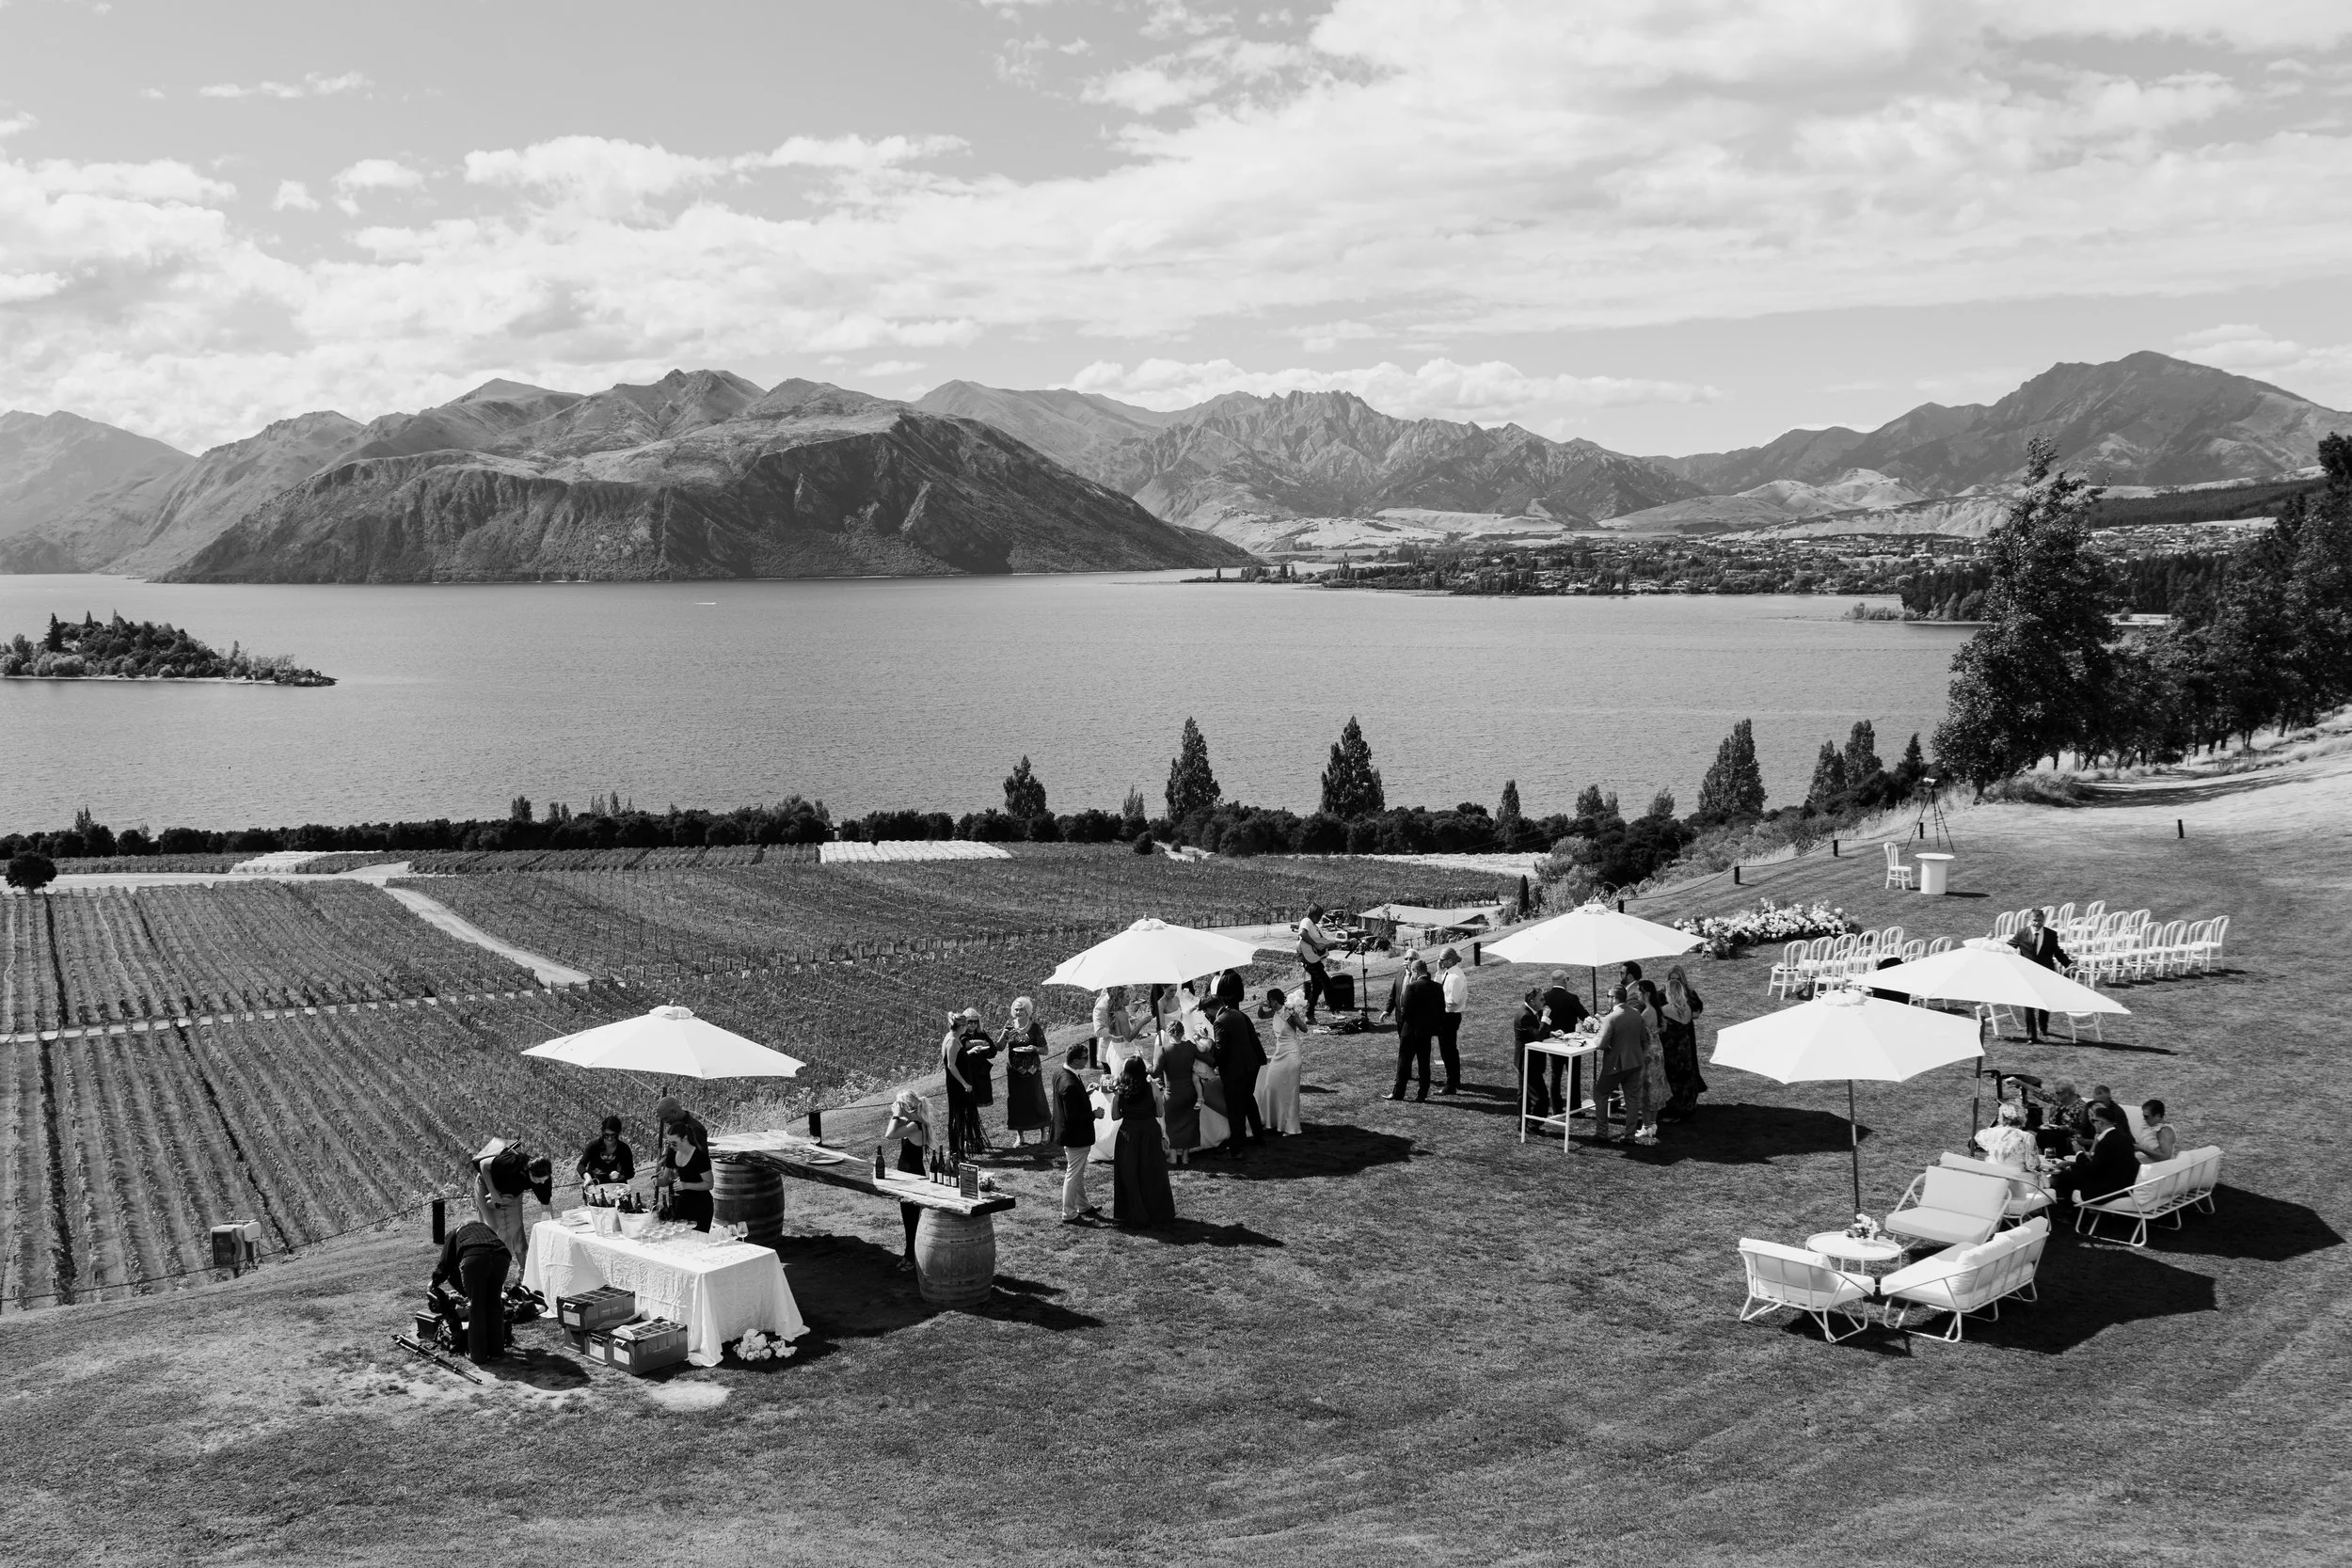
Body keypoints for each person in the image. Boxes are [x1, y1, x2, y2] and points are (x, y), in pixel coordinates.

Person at [429, 1218, 513, 1363]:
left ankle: (478, 1355)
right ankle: (497, 1352)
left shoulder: (455, 1232)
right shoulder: (486, 1228)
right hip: (502, 1256)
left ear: (460, 1225)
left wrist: (435, 1281)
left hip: (474, 1258)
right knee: (495, 1304)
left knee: (477, 1307)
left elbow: (446, 1263)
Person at [1111, 1058, 1176, 1227]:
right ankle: (1155, 1210)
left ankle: (1132, 1210)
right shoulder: (1152, 1087)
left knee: (1129, 1172)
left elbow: (1115, 1116)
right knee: (1152, 1171)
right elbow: (1159, 1112)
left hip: (1128, 1134)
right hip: (1149, 1132)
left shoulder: (1120, 1089)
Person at [470, 1139, 549, 1270]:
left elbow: (546, 1204)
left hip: (511, 1192)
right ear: (529, 1172)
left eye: (544, 1180)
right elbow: (484, 1164)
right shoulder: (511, 1163)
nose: (541, 1183)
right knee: (494, 1227)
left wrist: (548, 1223)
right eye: (537, 1180)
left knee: (516, 1225)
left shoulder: (544, 1177)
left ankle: (523, 1270)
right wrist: (493, 1192)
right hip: (487, 1182)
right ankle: (492, 1266)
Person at [2049, 1100, 2138, 1208]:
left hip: (2108, 1190)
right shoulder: (2124, 1138)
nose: (2092, 1123)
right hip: (2125, 1185)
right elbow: (2103, 1164)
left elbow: (2092, 1170)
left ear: (2100, 1123)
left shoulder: (2105, 1142)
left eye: (2094, 1120)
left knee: (2066, 1175)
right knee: (2073, 1171)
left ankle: (2069, 1211)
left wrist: (2079, 1153)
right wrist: (2073, 1163)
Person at [1209, 996, 1268, 1155]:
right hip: (1251, 1064)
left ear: (1210, 1010)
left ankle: (1237, 1147)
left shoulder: (1219, 1021)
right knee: (1249, 1100)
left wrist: (1210, 1049)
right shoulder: (1238, 1013)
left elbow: (1220, 1050)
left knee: (1235, 1108)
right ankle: (1259, 1135)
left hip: (1235, 1070)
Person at [1047, 1044, 1100, 1224]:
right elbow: (1074, 1117)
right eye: (1085, 1058)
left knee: (1077, 1172)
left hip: (1067, 1133)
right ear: (1076, 1060)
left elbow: (1069, 1104)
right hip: (1075, 1136)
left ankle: (1083, 1206)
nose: (1087, 1061)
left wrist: (1086, 1093)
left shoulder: (1060, 1073)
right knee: (1074, 1175)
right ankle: (1069, 1213)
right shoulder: (1069, 1084)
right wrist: (1094, 1114)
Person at [1589, 987, 1648, 1144]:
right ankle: (1630, 1136)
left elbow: (1601, 1044)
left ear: (1614, 999)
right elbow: (1644, 1038)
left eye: (1608, 996)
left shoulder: (1612, 1017)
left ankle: (1602, 1133)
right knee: (1632, 1099)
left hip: (1616, 1064)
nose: (1607, 999)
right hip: (1635, 1062)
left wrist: (1595, 1039)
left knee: (1600, 1094)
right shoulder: (1636, 1014)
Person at [882, 1088, 934, 1264]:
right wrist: (899, 1116)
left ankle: (912, 1258)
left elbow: (889, 1135)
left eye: (898, 1104)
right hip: (909, 1175)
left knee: (911, 1220)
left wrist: (896, 1116)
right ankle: (908, 1255)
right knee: (909, 1219)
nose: (895, 1106)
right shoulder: (914, 1123)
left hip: (912, 1177)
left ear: (905, 1106)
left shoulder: (914, 1126)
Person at [940, 1007, 998, 1161]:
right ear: (961, 1026)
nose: (969, 1028)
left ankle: (959, 1150)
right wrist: (965, 1083)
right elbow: (951, 1065)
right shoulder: (952, 1041)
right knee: (958, 1118)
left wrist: (971, 1052)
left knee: (961, 1118)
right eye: (967, 1025)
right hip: (957, 1086)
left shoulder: (952, 1037)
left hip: (959, 1084)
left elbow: (959, 1058)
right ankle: (956, 1151)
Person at [2010, 909, 2071, 1042]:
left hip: (2046, 973)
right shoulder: (2021, 933)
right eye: (2035, 920)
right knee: (2028, 1005)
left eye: (2040, 921)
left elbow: (2057, 952)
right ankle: (2031, 1036)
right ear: (2030, 920)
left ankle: (2043, 1027)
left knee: (2044, 1003)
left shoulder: (2050, 934)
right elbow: (2009, 947)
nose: (2037, 923)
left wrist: (2069, 964)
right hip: (2027, 974)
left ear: (2044, 920)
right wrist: (1992, 946)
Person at [1657, 966, 1708, 1121]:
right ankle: (1687, 1106)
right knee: (1685, 1075)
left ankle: (1675, 1110)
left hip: (1672, 1047)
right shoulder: (1686, 1009)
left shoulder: (1665, 1009)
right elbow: (1694, 1013)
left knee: (1675, 1077)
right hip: (1683, 1043)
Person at [1391, 959, 1445, 1102]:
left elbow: (1405, 1010)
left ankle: (1398, 1093)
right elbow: (1441, 1010)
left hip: (1410, 1031)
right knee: (1424, 1063)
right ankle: (1422, 1094)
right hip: (1426, 1031)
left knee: (1403, 1062)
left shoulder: (1412, 987)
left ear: (1415, 971)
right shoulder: (1437, 987)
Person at [1000, 996, 1052, 1148]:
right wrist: (1004, 1035)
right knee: (1017, 1102)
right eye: (1016, 1009)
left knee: (1036, 1098)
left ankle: (1044, 1131)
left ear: (1028, 1010)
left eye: (1021, 1009)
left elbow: (1045, 1050)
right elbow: (999, 1047)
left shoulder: (1035, 1027)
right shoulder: (1009, 1026)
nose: (1018, 1012)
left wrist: (1034, 1048)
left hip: (1032, 1071)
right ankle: (1020, 1136)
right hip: (1014, 1073)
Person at [1540, 972, 1588, 1122]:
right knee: (1574, 1075)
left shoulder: (1545, 998)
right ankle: (1575, 1108)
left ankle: (1556, 1107)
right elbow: (1585, 1016)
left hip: (1554, 1042)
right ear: (1564, 980)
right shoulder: (1571, 998)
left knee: (1555, 1075)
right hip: (1571, 1043)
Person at [1257, 987, 1306, 1135]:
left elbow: (1304, 1029)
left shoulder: (1288, 1011)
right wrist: (1260, 1006)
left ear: (1274, 1000)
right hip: (1279, 1053)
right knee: (1270, 1085)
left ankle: (1290, 1127)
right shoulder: (1274, 1012)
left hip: (1291, 1054)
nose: (1269, 1002)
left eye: (1270, 1000)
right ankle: (1272, 1121)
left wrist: (1295, 1017)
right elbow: (1261, 1016)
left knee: (1289, 1091)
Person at [1155, 1018, 1203, 1166]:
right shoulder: (1189, 1046)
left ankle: (1173, 1157)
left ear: (1169, 1034)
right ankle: (1185, 1157)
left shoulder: (1164, 1050)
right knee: (1190, 1124)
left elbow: (1155, 1072)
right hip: (1189, 1093)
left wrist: (1143, 1065)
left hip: (1172, 1094)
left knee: (1172, 1125)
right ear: (1182, 1032)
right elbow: (1207, 1057)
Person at [658, 1117, 713, 1231]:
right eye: (669, 1143)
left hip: (701, 1206)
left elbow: (709, 1184)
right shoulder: (672, 1152)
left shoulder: (699, 1157)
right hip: (681, 1205)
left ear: (685, 1139)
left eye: (674, 1143)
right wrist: (656, 1180)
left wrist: (686, 1185)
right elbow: (665, 1179)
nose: (671, 1146)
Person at [1295, 904, 1340, 1022]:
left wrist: (1338, 945)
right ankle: (1334, 1010)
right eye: (1319, 916)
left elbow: (1322, 946)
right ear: (1314, 914)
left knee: (1317, 988)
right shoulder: (1307, 921)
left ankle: (1309, 1015)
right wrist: (1315, 945)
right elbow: (1302, 933)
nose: (1320, 918)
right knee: (1327, 982)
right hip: (1310, 961)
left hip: (1315, 960)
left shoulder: (1316, 927)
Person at [1513, 987, 1552, 1117]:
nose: (1544, 1002)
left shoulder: (1530, 1012)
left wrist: (1551, 1033)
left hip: (1528, 1061)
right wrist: (1545, 1018)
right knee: (1541, 1097)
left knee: (1524, 1095)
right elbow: (1538, 1036)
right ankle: (1533, 1124)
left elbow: (1534, 1033)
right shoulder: (1525, 1015)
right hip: (1528, 1062)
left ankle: (1524, 1124)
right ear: (1532, 1001)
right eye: (1541, 999)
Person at [1973, 1101, 2043, 1172]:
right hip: (2017, 1175)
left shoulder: (1988, 1133)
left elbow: (1977, 1138)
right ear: (2022, 1117)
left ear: (2001, 1116)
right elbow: (2033, 1165)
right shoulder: (2027, 1137)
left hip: (1992, 1172)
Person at [1436, 948, 1469, 1095]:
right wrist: (1439, 971)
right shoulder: (1449, 973)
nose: (1439, 962)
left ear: (1449, 960)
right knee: (1450, 1050)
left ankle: (1451, 1084)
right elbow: (1439, 987)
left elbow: (1452, 1001)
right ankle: (1454, 1080)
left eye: (1441, 960)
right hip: (1449, 1015)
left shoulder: (1455, 977)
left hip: (1449, 1016)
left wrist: (1437, 1004)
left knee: (1447, 1051)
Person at [576, 1116, 635, 1188]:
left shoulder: (624, 1149)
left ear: (618, 1134)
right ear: (602, 1133)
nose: (610, 1138)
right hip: (595, 1187)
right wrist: (587, 1177)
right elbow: (581, 1165)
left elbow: (630, 1172)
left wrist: (621, 1176)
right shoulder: (594, 1146)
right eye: (606, 1135)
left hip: (617, 1189)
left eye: (613, 1135)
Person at [1093, 986, 1136, 1074]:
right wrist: (1117, 1029)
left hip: (1124, 1049)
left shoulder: (1120, 1002)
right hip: (1110, 1051)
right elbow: (1099, 1031)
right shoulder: (1101, 1007)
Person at [2130, 1098, 2179, 1164]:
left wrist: (2141, 1149)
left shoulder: (2165, 1131)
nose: (2144, 1119)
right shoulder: (2151, 1124)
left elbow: (2165, 1156)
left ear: (2157, 1116)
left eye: (2146, 1116)